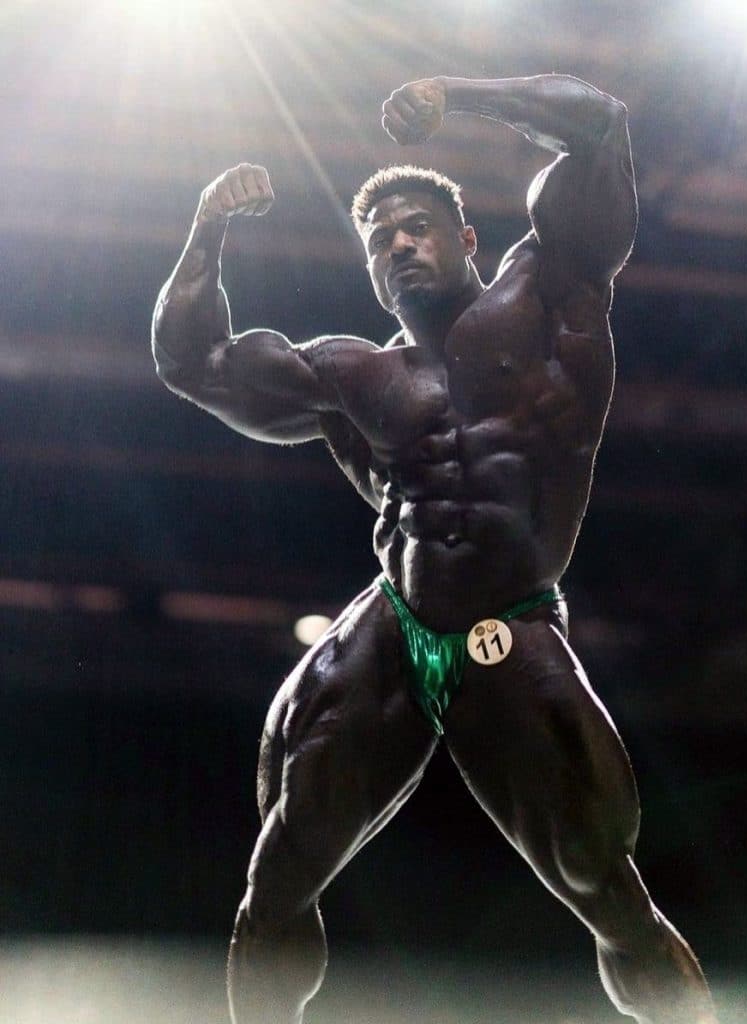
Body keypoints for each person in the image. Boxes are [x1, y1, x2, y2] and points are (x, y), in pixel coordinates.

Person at [151, 74, 718, 1024]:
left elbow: (602, 129)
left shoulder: (550, 295)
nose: (399, 245)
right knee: (279, 871)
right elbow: (191, 363)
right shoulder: (354, 371)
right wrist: (206, 230)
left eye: (417, 228)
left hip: (511, 622)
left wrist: (455, 92)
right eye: (381, 241)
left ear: (466, 240)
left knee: (606, 889)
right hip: (396, 619)